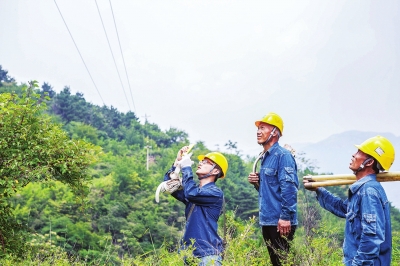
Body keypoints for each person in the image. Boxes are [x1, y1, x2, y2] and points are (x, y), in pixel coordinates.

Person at [303, 135, 395, 265]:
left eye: (359, 152)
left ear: (369, 162)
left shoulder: (368, 192)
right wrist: (318, 189)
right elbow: (343, 208)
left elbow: (372, 237)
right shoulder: (362, 190)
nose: (353, 155)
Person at [247, 112, 299, 266]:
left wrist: (285, 217)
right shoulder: (265, 157)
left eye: (263, 128)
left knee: (282, 261)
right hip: (268, 220)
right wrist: (258, 183)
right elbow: (271, 191)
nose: (258, 131)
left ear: (275, 132)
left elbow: (289, 188)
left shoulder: (283, 156)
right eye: (258, 128)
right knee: (276, 262)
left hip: (280, 221)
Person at [163, 146, 228, 266]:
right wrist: (177, 164)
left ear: (215, 171)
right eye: (201, 161)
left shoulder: (215, 193)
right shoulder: (193, 191)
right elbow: (168, 186)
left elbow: (192, 193)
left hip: (208, 256)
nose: (201, 163)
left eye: (206, 162)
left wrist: (187, 167)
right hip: (189, 255)